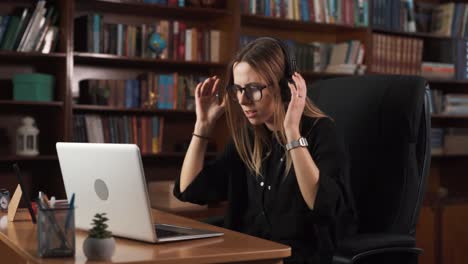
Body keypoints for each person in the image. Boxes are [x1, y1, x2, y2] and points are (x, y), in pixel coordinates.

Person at [173, 37, 357, 263]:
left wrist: (292, 133)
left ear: (283, 87)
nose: (243, 100)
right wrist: (202, 127)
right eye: (238, 89)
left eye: (253, 89)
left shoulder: (321, 132)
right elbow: (191, 190)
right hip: (246, 256)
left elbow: (324, 207)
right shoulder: (248, 137)